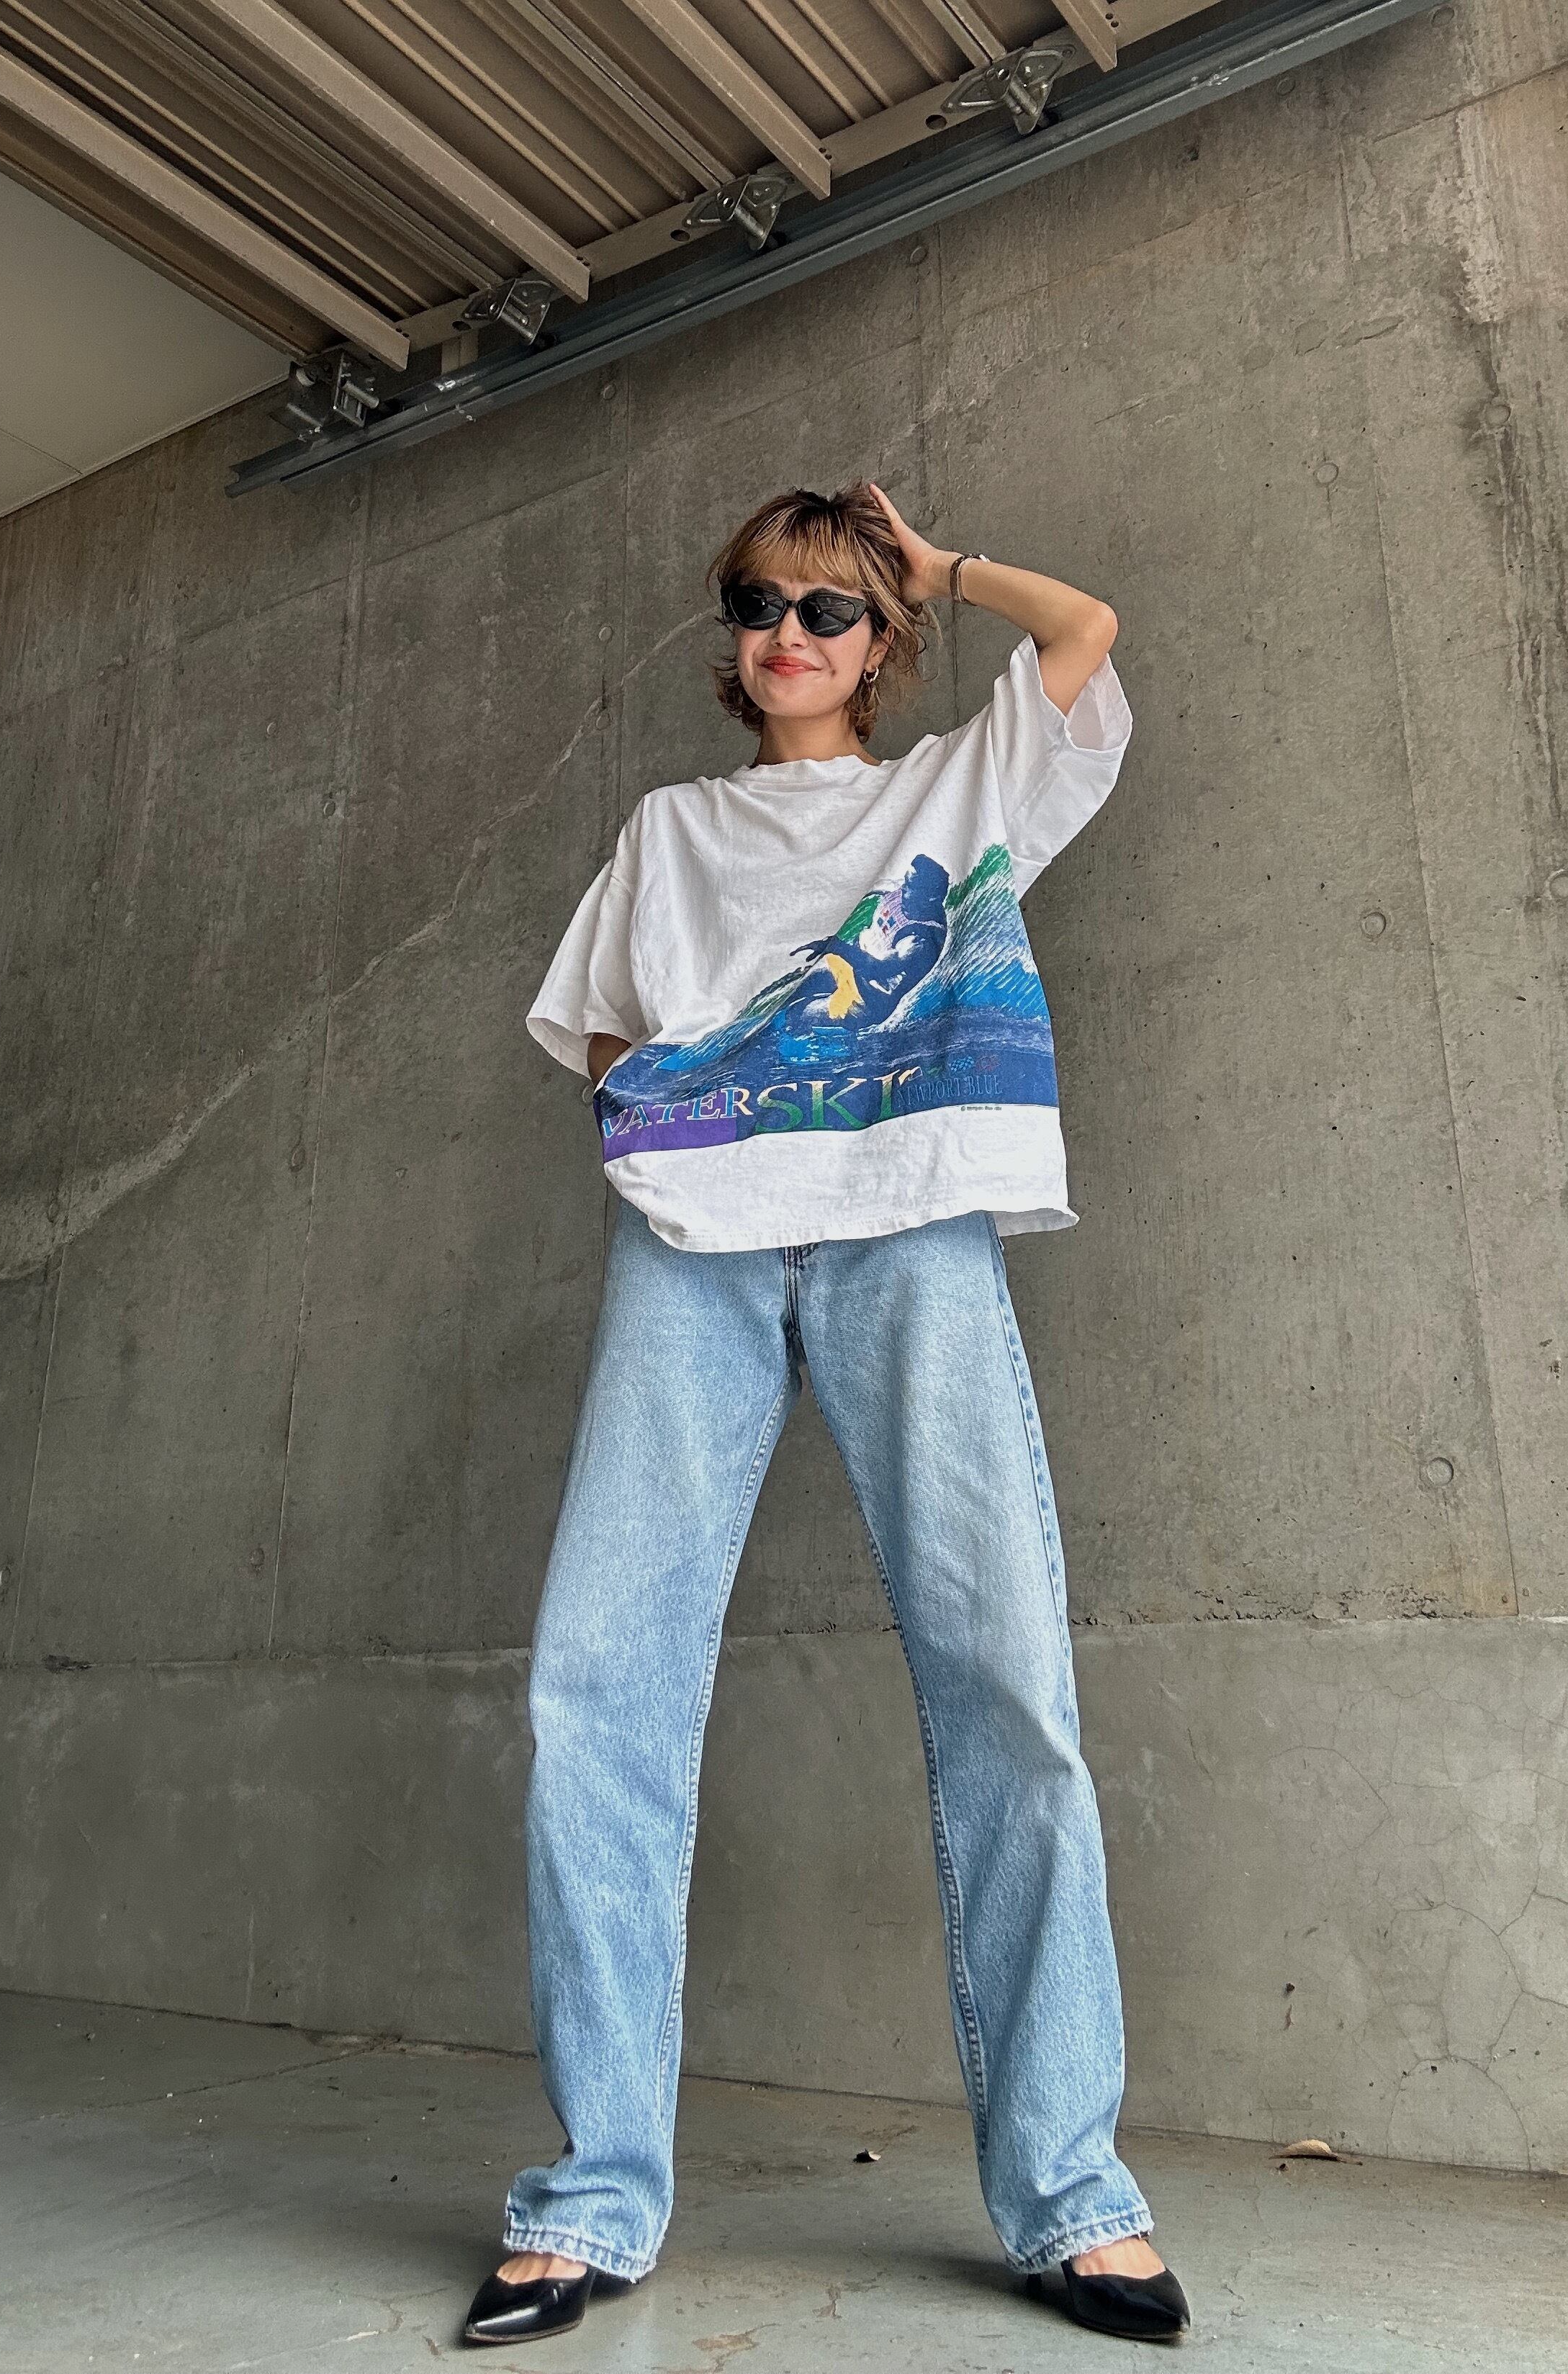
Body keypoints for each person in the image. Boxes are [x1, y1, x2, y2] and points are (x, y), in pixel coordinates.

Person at [461, 482, 1191, 2351]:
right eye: (759, 602)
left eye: (831, 607)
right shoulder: (672, 829)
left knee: (1006, 1682)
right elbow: (600, 1027)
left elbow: (1085, 632)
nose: (789, 632)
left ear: (882, 642)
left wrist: (939, 564)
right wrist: (665, 1101)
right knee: (598, 1690)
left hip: (910, 1239)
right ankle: (594, 2196)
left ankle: (1073, 2194)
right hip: (693, 1250)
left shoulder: (957, 790)